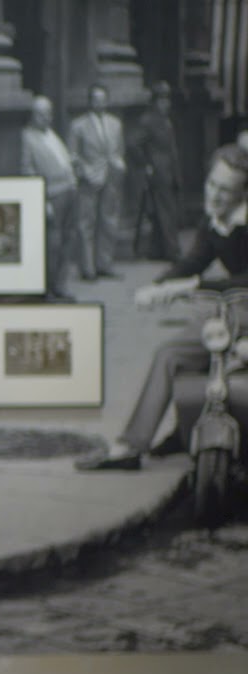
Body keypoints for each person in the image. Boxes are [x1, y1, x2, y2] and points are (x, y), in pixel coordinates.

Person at [76, 142, 248, 471]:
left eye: (226, 191)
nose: (214, 196)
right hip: (232, 316)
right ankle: (130, 447)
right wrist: (157, 286)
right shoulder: (215, 221)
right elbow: (193, 261)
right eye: (212, 184)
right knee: (169, 356)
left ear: (244, 193)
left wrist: (190, 286)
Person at [21, 95, 78, 302]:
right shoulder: (28, 137)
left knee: (67, 241)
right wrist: (42, 201)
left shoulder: (52, 134)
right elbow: (28, 171)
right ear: (33, 115)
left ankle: (61, 286)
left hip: (69, 191)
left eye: (48, 113)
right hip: (52, 196)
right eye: (41, 113)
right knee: (51, 245)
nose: (46, 117)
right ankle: (47, 290)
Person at [68, 83, 126, 281]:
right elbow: (73, 156)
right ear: (90, 101)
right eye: (95, 99)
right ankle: (88, 268)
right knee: (86, 224)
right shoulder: (78, 125)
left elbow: (119, 150)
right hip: (89, 179)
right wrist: (84, 172)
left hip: (110, 178)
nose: (99, 103)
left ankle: (105, 264)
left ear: (107, 101)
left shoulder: (115, 124)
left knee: (109, 221)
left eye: (103, 99)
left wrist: (119, 165)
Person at [128, 81, 182, 261]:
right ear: (154, 101)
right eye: (161, 99)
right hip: (159, 173)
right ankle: (172, 251)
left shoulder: (165, 120)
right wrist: (146, 164)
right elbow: (133, 144)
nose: (166, 103)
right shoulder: (148, 120)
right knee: (166, 212)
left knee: (162, 212)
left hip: (169, 171)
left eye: (167, 99)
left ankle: (157, 250)